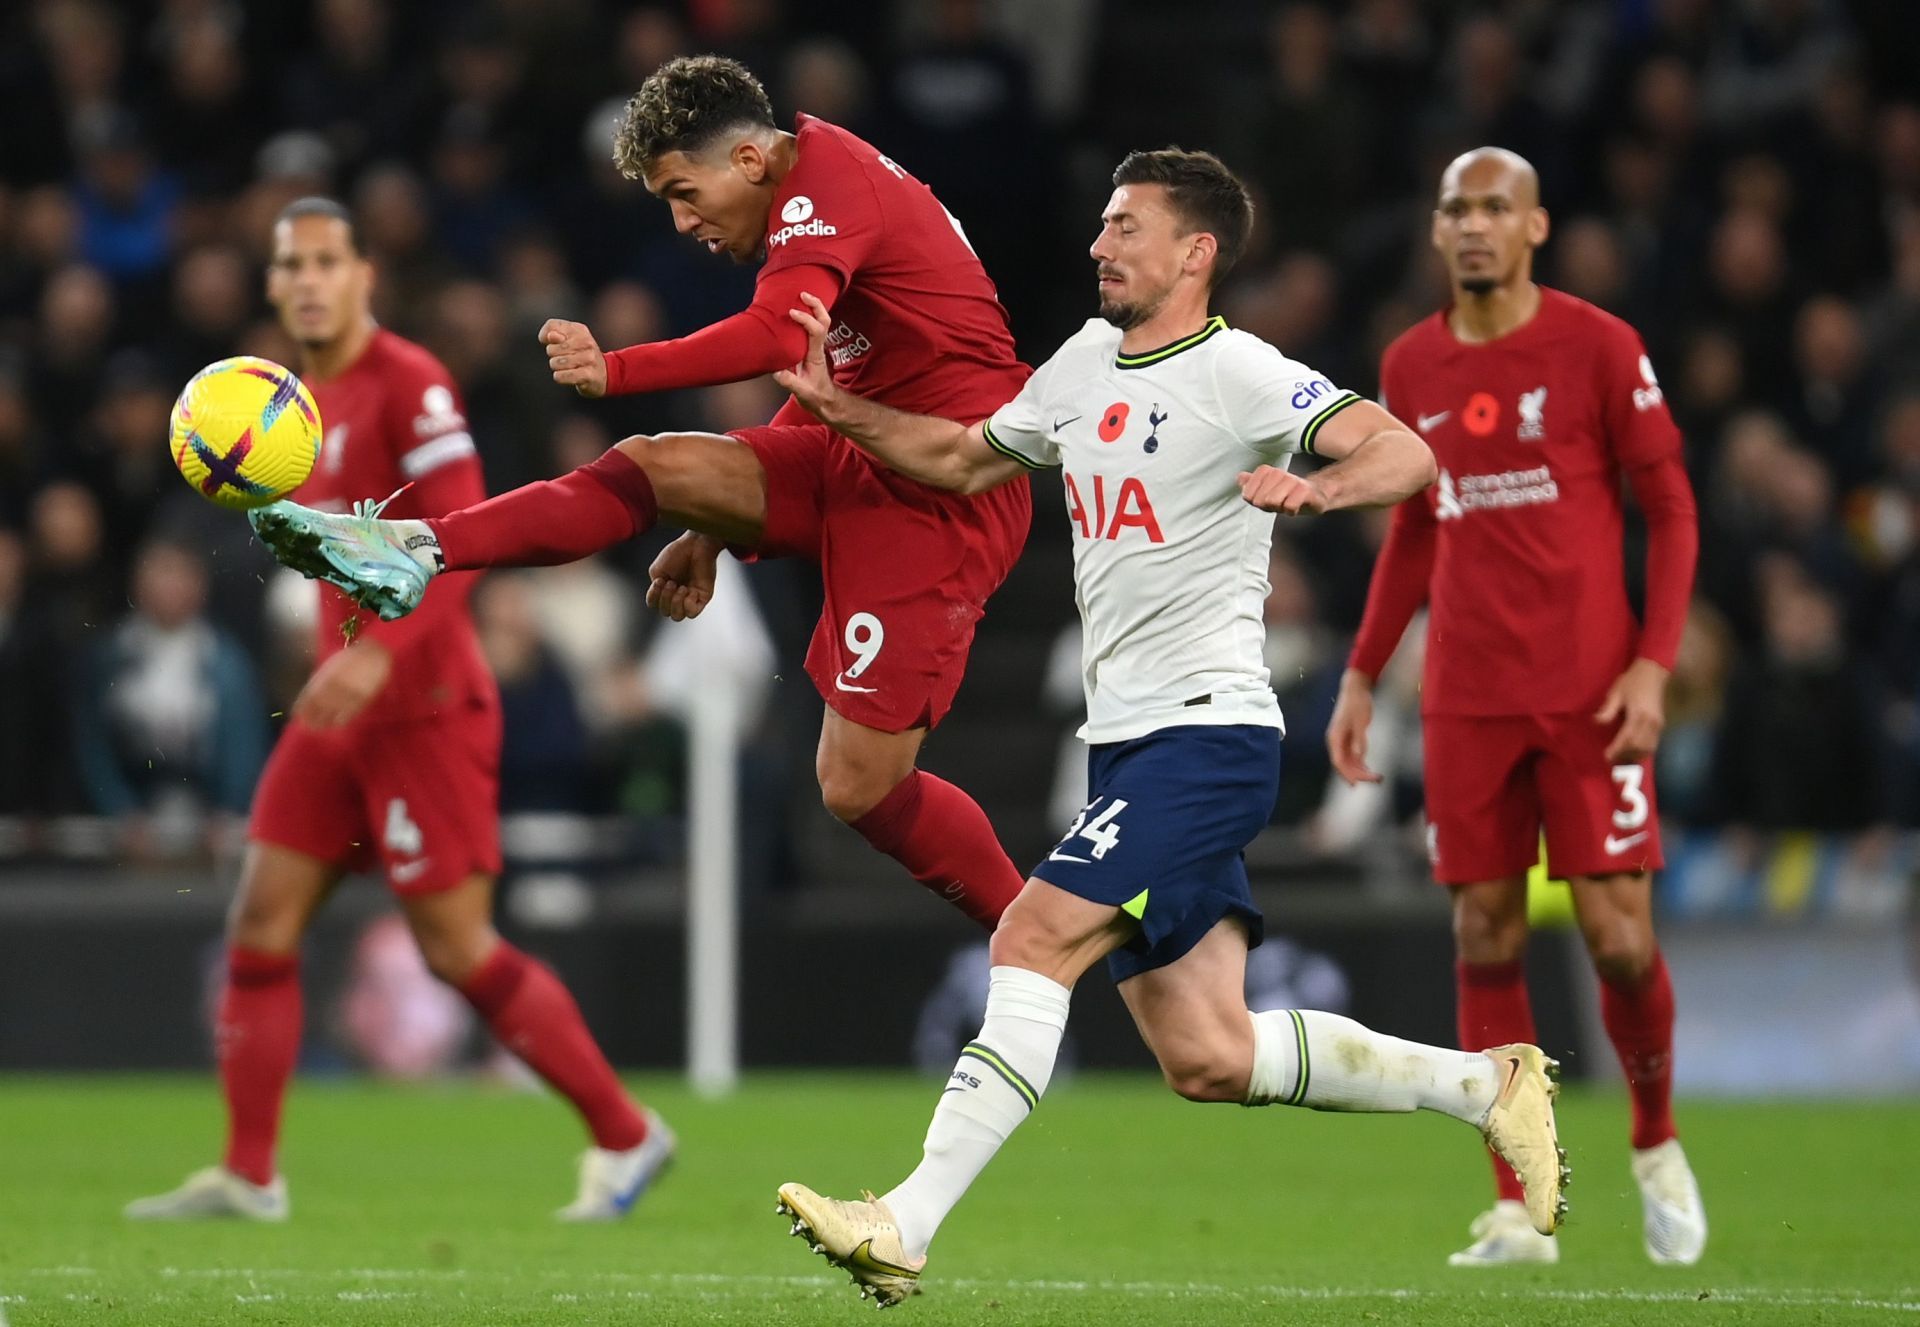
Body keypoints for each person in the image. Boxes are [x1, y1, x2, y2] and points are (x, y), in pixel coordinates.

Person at [764, 148, 1567, 1307]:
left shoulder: (1239, 372)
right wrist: (844, 411)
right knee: (1208, 1054)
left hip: (1211, 739)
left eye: (1127, 227)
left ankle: (905, 1219)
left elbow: (1405, 449)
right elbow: (956, 457)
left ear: (1196, 253)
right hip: (1127, 745)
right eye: (1100, 225)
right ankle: (1486, 1089)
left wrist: (1318, 489)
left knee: (1032, 938)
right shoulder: (1085, 362)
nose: (1100, 245)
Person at [248, 55, 1034, 931]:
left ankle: (1037, 934)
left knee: (855, 784)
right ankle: (419, 545)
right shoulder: (813, 186)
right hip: (862, 443)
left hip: (944, 484)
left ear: (746, 162)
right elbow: (825, 378)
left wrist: (614, 366)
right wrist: (711, 524)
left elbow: (775, 336)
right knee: (655, 464)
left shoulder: (828, 186)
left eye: (683, 191)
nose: (683, 220)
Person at [125, 198, 670, 1225]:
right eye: (291, 264)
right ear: (274, 283)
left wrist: (378, 661)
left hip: (422, 704)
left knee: (456, 950)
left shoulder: (410, 384)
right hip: (343, 708)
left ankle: (628, 1133)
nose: (309, 280)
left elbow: (462, 540)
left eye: (329, 260)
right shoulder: (283, 405)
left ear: (366, 273)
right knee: (259, 924)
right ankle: (250, 1174)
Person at [1327, 147, 1705, 1267]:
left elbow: (1672, 511)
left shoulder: (1599, 346)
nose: (1476, 226)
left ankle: (1654, 1143)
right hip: (1470, 699)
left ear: (1535, 228)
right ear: (1437, 232)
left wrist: (1653, 665)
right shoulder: (1412, 362)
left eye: (1497, 208)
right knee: (1483, 928)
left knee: (1618, 937)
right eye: (1457, 209)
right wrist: (1360, 671)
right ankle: (1518, 1200)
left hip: (1591, 694)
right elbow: (1413, 530)